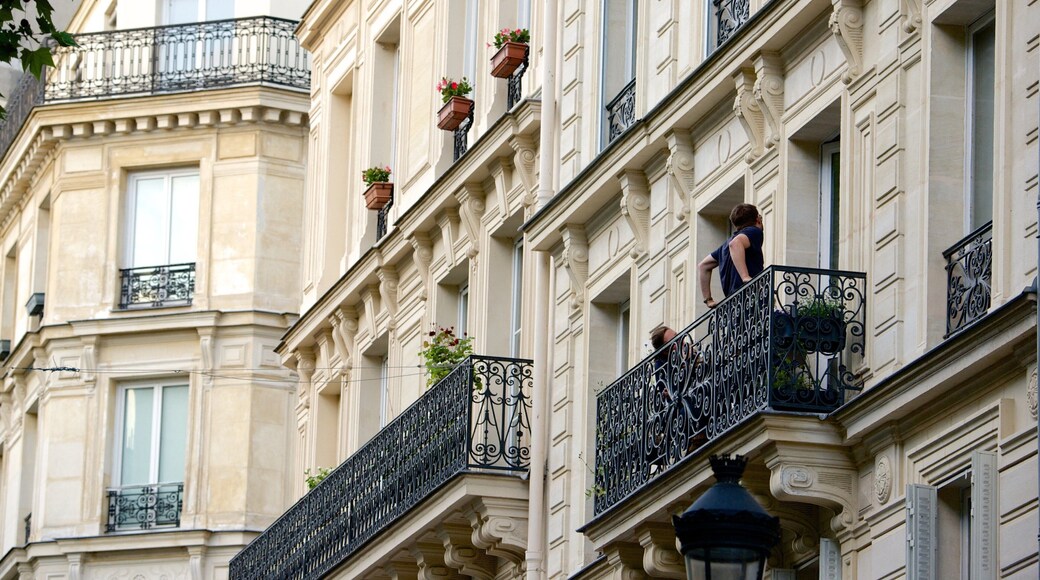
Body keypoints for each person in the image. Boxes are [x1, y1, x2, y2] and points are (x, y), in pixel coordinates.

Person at [697, 203, 764, 307]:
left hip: (734, 306)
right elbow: (736, 244)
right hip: (751, 299)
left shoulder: (725, 246)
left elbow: (703, 266)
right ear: (757, 219)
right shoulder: (754, 231)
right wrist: (745, 276)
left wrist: (708, 300)